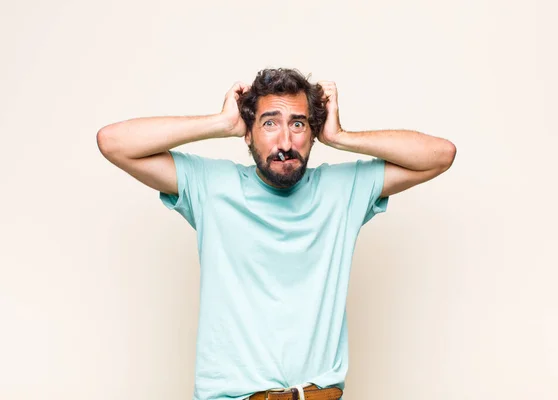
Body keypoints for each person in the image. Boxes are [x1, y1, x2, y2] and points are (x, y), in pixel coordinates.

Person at [97, 68, 456, 400]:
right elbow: (113, 142)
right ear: (248, 133)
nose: (285, 140)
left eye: (298, 124)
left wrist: (342, 137)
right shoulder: (211, 185)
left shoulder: (342, 189)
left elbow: (441, 155)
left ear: (313, 134)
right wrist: (219, 122)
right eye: (270, 123)